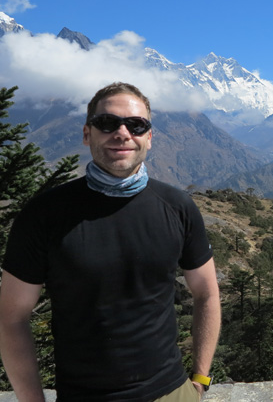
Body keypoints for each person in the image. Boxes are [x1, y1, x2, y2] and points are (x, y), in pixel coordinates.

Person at [0, 82, 221, 401]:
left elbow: (207, 292)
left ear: (149, 136)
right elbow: (11, 317)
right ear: (87, 133)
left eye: (136, 124)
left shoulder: (177, 206)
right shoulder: (44, 214)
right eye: (107, 123)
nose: (122, 133)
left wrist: (200, 378)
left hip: (171, 392)